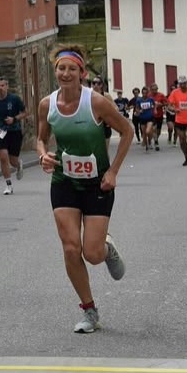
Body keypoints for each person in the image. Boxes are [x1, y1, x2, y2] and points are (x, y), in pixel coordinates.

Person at [35, 46, 132, 334]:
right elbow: (40, 139)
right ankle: (89, 310)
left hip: (97, 184)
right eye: (61, 68)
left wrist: (113, 171)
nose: (65, 74)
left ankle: (106, 249)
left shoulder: (97, 103)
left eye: (71, 69)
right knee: (70, 247)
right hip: (64, 181)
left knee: (92, 254)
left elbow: (127, 131)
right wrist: (43, 155)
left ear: (82, 73)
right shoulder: (47, 105)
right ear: (55, 71)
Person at [0, 77, 28, 195]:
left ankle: (18, 165)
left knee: (13, 161)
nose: (0, 88)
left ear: (7, 86)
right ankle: (8, 185)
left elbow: (25, 112)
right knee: (3, 157)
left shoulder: (14, 99)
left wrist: (14, 119)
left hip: (14, 131)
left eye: (3, 85)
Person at [149, 82, 166, 151]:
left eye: (155, 89)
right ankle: (156, 143)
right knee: (154, 129)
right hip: (152, 115)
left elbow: (166, 103)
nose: (154, 91)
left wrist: (160, 104)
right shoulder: (149, 96)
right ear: (151, 90)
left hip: (159, 115)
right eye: (153, 89)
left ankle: (155, 139)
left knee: (158, 131)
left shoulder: (161, 95)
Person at [165, 80, 179, 145]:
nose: (173, 91)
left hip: (177, 114)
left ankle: (175, 141)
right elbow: (165, 104)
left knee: (176, 129)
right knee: (170, 128)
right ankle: (169, 136)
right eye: (172, 90)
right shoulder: (167, 97)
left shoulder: (179, 96)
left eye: (174, 89)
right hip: (169, 114)